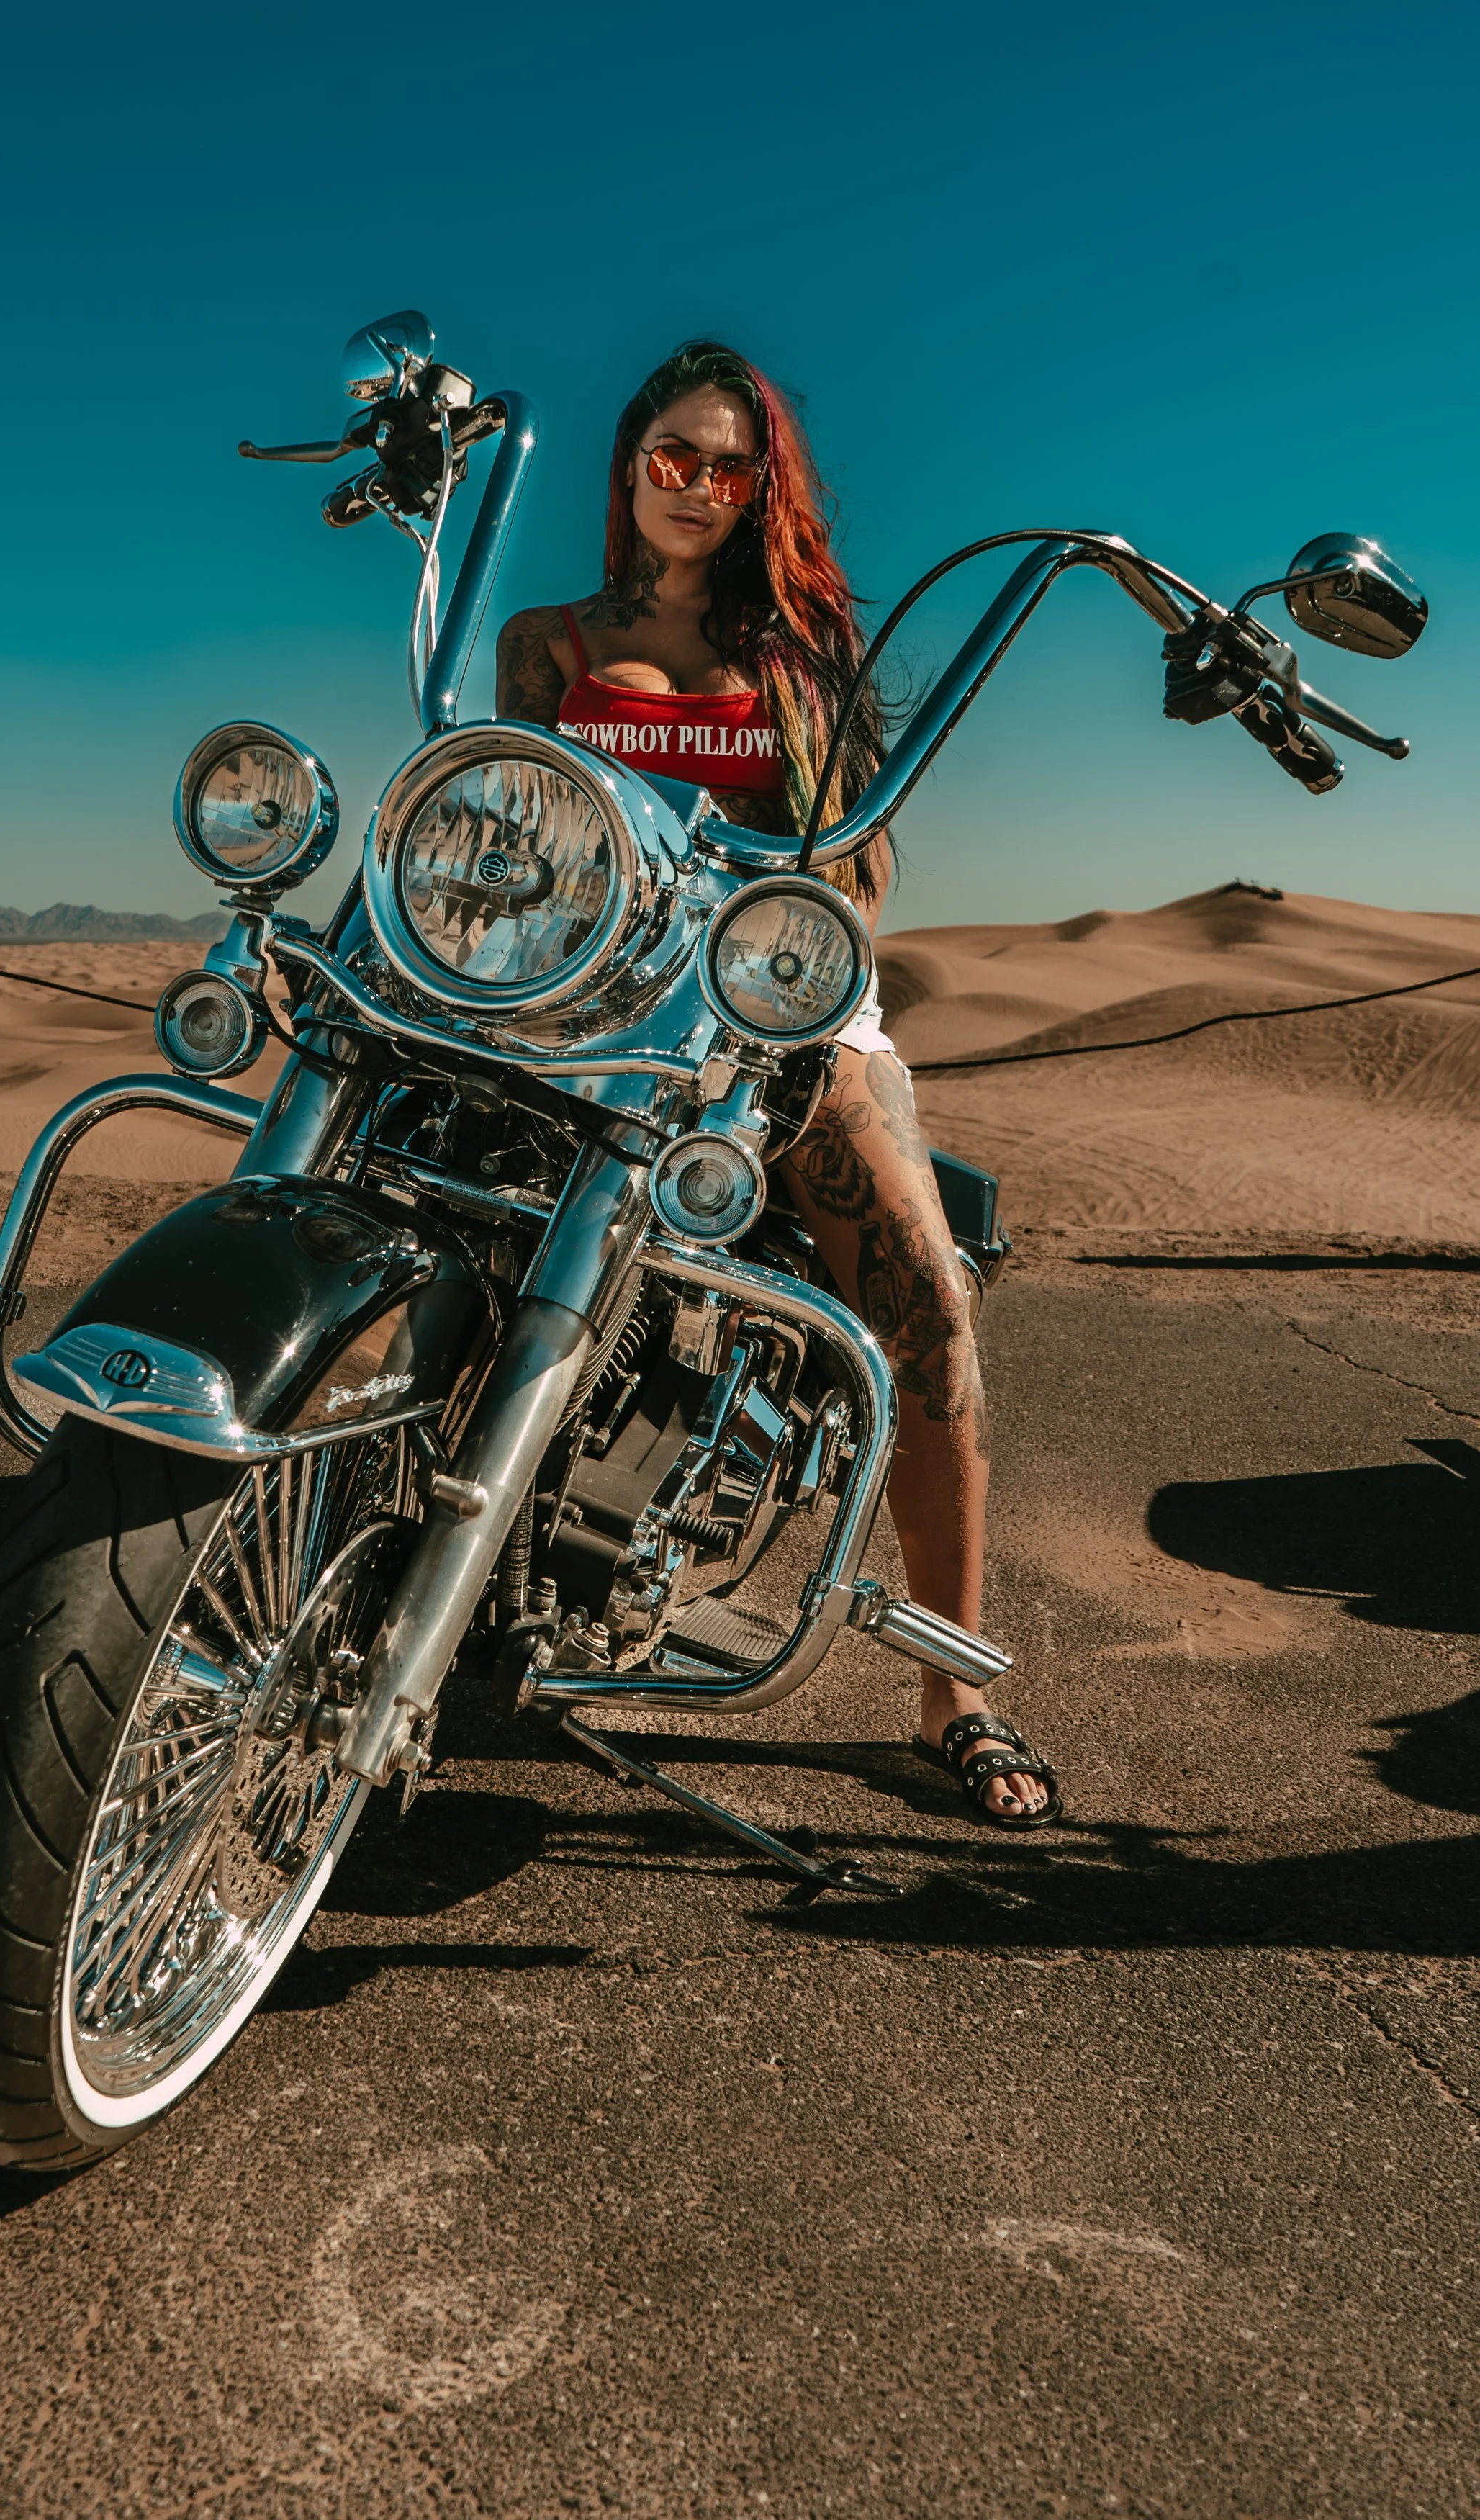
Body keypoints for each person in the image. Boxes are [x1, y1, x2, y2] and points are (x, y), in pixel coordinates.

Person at [495, 340, 1060, 1829]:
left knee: (924, 1309)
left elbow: (856, 868)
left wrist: (781, 975)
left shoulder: (798, 658)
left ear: (761, 490)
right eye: (669, 456)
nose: (694, 485)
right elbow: (499, 815)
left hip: (767, 1011)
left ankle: (955, 1689)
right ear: (626, 468)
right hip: (578, 1008)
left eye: (725, 465)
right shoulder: (541, 641)